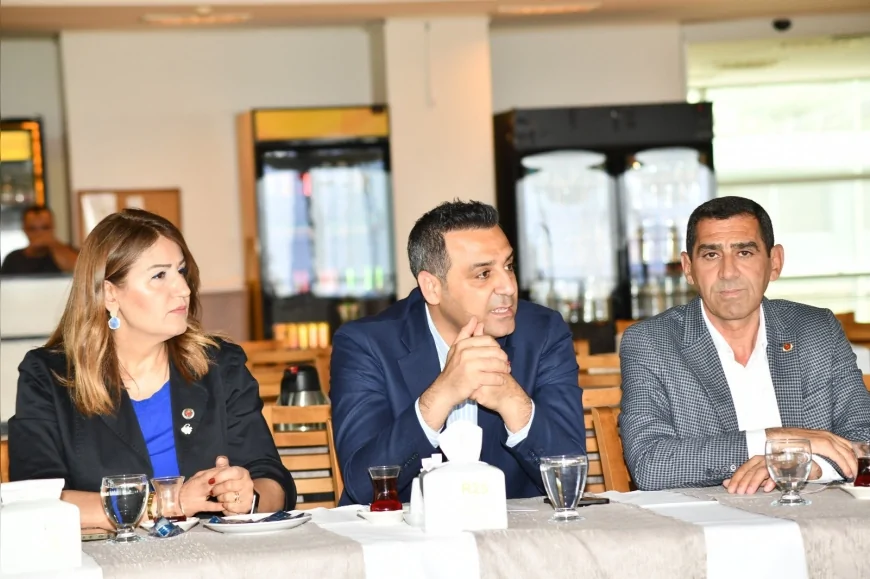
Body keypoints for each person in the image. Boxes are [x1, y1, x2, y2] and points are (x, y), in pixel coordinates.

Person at [9, 208, 295, 527]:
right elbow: (36, 498)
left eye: (181, 271)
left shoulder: (219, 364)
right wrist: (165, 504)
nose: (183, 289)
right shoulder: (49, 376)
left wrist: (248, 497)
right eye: (160, 276)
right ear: (109, 294)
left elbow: (272, 478)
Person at [330, 200, 585, 505]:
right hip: (407, 531)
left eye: (508, 266)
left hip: (514, 529)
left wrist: (512, 402)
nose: (508, 287)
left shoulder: (543, 333)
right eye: (483, 274)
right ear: (432, 287)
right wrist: (441, 395)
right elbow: (362, 486)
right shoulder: (366, 344)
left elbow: (571, 479)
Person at [619, 196, 870, 494]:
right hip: (710, 519)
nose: (728, 272)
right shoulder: (651, 343)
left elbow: (864, 437)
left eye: (745, 253)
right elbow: (650, 464)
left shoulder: (817, 330)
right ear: (688, 268)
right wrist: (775, 441)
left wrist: (805, 464)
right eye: (711, 255)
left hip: (816, 514)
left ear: (774, 262)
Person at [0, 205, 78, 275]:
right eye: (32, 229)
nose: (39, 234)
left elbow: (77, 270)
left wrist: (54, 244)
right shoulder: (12, 259)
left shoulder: (69, 252)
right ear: (24, 230)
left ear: (53, 227)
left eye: (45, 228)